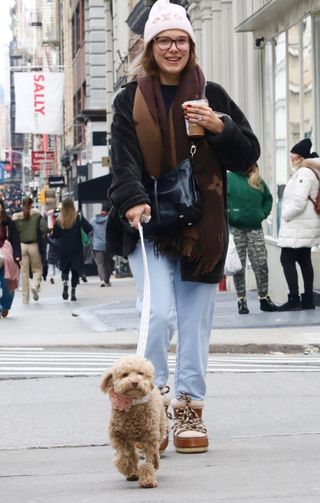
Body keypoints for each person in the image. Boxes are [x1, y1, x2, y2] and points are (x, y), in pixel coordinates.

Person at [106, 0, 260, 454]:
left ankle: (190, 407)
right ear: (150, 46)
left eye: (180, 40)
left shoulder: (212, 93)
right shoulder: (127, 99)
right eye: (164, 40)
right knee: (156, 316)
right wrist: (131, 200)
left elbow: (246, 156)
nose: (173, 48)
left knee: (194, 325)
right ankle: (151, 404)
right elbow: (123, 161)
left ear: (191, 46)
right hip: (150, 223)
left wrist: (219, 126)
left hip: (203, 228)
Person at [227, 164, 278, 314]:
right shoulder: (230, 178)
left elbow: (268, 199)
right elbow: (222, 200)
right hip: (236, 228)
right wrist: (230, 214)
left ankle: (264, 298)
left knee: (261, 263)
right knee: (238, 266)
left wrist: (262, 214)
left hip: (255, 228)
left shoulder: (257, 179)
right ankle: (241, 300)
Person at [278, 138, 320, 310]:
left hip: (298, 224)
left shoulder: (304, 173)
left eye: (293, 154)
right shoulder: (308, 171)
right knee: (304, 259)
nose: (291, 157)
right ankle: (308, 299)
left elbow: (298, 202)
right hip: (304, 224)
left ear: (301, 156)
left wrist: (285, 216)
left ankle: (294, 298)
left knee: (286, 258)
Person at [52, 198, 92, 301]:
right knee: (75, 271)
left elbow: (55, 235)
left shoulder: (58, 220)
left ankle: (65, 283)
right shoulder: (78, 217)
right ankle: (73, 292)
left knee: (65, 269)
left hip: (64, 249)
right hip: (76, 248)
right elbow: (89, 228)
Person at [12, 197, 47, 304]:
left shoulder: (16, 217)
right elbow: (44, 228)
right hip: (34, 245)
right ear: (31, 204)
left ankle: (25, 299)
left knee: (24, 273)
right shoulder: (36, 214)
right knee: (37, 269)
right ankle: (35, 286)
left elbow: (13, 232)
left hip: (22, 246)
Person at [0, 198, 21, 318]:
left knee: (7, 286)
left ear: (2, 207)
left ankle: (5, 305)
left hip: (6, 259)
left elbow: (16, 240)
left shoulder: (9, 223)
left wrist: (17, 255)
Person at [90, 202, 114, 287]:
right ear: (108, 211)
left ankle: (102, 280)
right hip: (108, 245)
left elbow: (90, 232)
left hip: (97, 246)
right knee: (108, 263)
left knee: (100, 264)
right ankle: (107, 280)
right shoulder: (110, 220)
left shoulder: (93, 220)